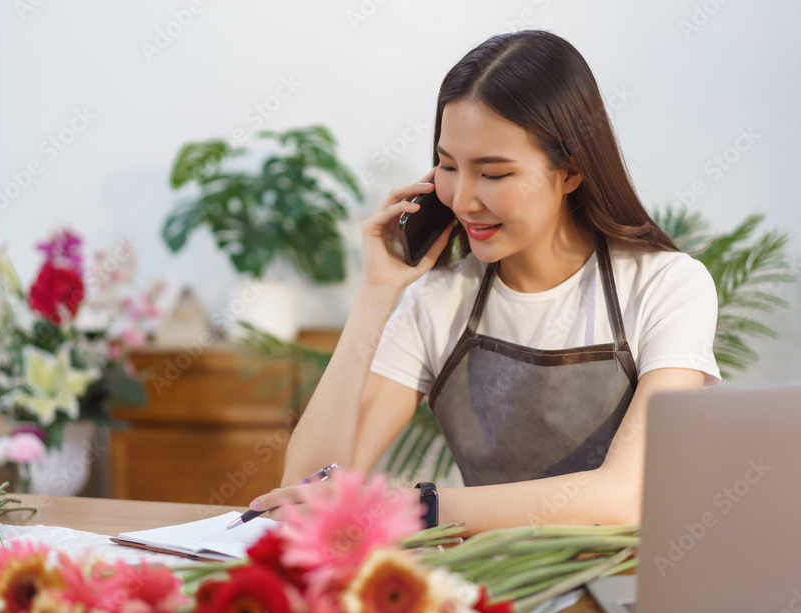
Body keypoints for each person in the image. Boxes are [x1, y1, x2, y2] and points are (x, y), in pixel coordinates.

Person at [248, 29, 720, 534]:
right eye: (448, 166)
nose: (462, 198)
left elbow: (623, 497)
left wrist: (419, 508)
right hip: (493, 593)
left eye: (493, 174)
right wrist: (376, 292)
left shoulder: (668, 286)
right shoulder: (439, 300)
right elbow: (308, 492)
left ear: (572, 170)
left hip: (633, 595)